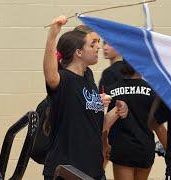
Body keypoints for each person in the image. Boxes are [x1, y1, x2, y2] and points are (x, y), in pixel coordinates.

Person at [42, 16, 128, 180]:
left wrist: (117, 112)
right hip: (68, 171)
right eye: (93, 44)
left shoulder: (88, 79)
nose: (98, 48)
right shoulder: (64, 79)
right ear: (79, 52)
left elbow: (97, 125)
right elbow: (50, 75)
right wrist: (52, 36)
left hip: (93, 170)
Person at [105, 62, 156, 180]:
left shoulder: (111, 91)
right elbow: (157, 124)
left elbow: (104, 123)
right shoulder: (152, 91)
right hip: (145, 148)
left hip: (122, 149)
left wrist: (104, 143)